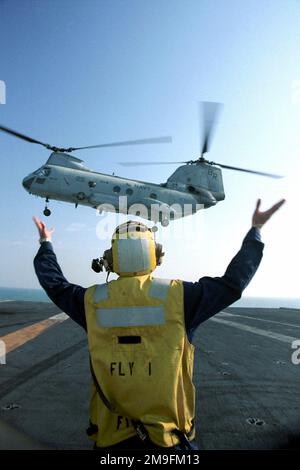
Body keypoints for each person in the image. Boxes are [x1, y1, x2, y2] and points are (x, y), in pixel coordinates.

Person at [33, 198, 285, 451]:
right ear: (157, 255)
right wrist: (256, 230)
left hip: (111, 439)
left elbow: (55, 284)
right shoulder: (180, 297)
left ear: (110, 258)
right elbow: (233, 283)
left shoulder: (92, 301)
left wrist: (46, 244)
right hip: (170, 441)